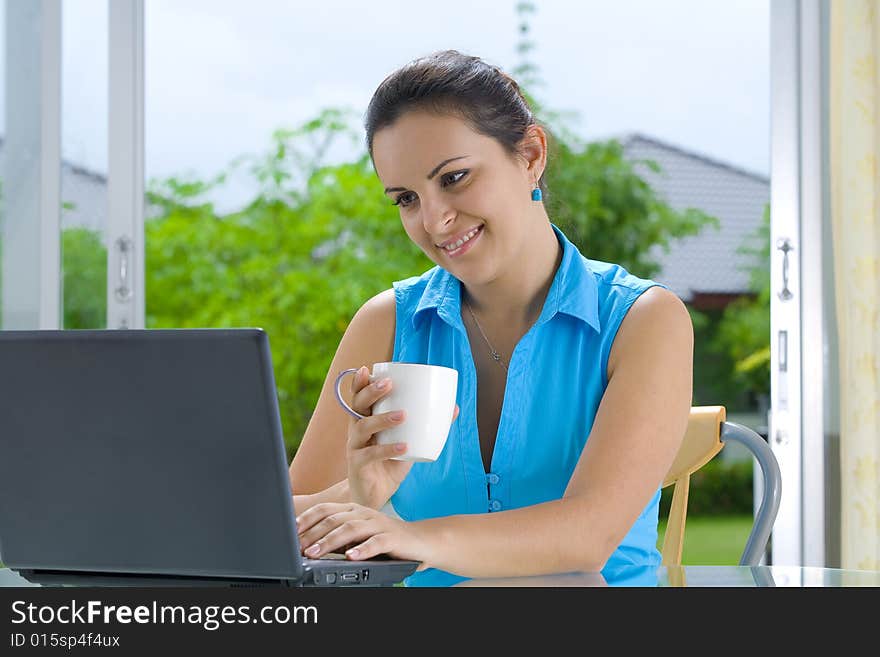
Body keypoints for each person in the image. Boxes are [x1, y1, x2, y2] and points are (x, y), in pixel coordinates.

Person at [288, 49, 693, 586]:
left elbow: (587, 537)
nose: (434, 220)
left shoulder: (644, 321)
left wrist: (414, 539)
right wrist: (366, 499)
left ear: (530, 155)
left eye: (454, 177)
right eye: (406, 198)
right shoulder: (386, 323)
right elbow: (289, 524)